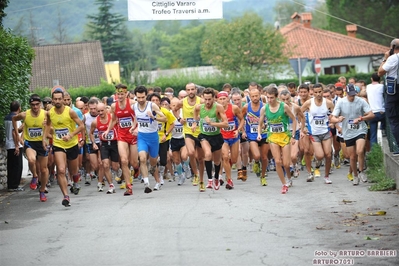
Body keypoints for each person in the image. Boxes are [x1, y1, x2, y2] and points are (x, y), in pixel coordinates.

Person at [43, 88, 85, 207]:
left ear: (63, 100)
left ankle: (75, 182)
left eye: (59, 99)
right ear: (52, 100)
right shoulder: (50, 113)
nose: (57, 101)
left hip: (71, 144)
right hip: (58, 144)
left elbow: (81, 126)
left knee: (73, 171)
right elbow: (48, 125)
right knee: (61, 170)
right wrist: (44, 139)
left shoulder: (70, 112)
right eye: (55, 99)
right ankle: (66, 196)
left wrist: (71, 134)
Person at [331, 84, 375, 185]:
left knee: (360, 151)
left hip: (360, 129)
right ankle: (355, 175)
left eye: (354, 95)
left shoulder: (361, 101)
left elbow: (371, 114)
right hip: (348, 131)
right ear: (346, 93)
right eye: (350, 95)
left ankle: (361, 171)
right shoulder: (341, 102)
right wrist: (338, 119)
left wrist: (361, 119)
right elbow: (332, 118)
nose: (352, 97)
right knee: (352, 156)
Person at [258, 86, 298, 193]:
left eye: (271, 98)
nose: (269, 100)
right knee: (277, 161)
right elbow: (260, 123)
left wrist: (293, 134)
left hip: (284, 136)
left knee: (286, 163)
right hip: (273, 137)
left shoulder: (284, 107)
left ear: (276, 97)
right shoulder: (264, 108)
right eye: (268, 98)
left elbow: (294, 120)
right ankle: (284, 184)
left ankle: (289, 178)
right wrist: (259, 133)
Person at [104, 84, 139, 196]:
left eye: (122, 94)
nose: (119, 96)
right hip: (122, 136)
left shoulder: (133, 104)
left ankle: (136, 168)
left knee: (133, 162)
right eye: (118, 94)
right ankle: (129, 187)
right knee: (123, 160)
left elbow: (139, 116)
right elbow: (114, 120)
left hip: (133, 135)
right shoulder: (114, 106)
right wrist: (107, 130)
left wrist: (136, 127)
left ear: (126, 94)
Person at [12, 95, 49, 201]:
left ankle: (42, 190)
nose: (35, 107)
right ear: (30, 105)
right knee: (32, 160)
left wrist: (45, 136)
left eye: (37, 104)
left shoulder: (46, 114)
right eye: (33, 105)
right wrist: (18, 134)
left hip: (42, 143)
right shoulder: (25, 114)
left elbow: (51, 124)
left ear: (40, 105)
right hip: (30, 143)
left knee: (44, 169)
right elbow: (14, 119)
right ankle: (35, 176)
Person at [193, 88, 228, 191]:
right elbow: (195, 114)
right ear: (203, 98)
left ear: (214, 98)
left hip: (216, 136)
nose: (207, 102)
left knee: (217, 161)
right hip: (204, 136)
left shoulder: (218, 108)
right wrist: (195, 123)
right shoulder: (199, 107)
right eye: (205, 99)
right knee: (207, 154)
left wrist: (212, 123)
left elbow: (225, 124)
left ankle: (216, 177)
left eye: (209, 99)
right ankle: (209, 180)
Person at [132, 86, 167, 192]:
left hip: (153, 137)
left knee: (153, 163)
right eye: (139, 97)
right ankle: (147, 183)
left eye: (143, 97)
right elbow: (136, 117)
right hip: (142, 136)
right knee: (142, 158)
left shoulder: (152, 106)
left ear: (146, 96)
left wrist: (154, 117)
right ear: (136, 97)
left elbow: (165, 118)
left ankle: (157, 181)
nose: (141, 99)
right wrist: (134, 126)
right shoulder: (134, 106)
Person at [300, 84, 335, 184]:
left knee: (328, 154)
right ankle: (316, 163)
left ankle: (327, 176)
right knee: (320, 156)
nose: (318, 94)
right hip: (314, 133)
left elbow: (334, 114)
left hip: (326, 132)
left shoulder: (328, 103)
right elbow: (300, 113)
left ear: (322, 91)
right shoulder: (309, 103)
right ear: (313, 92)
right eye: (315, 92)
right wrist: (304, 127)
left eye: (320, 92)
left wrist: (334, 122)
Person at [174, 83, 205, 187]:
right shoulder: (182, 102)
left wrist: (198, 121)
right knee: (191, 153)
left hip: (200, 132)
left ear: (196, 90)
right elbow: (174, 110)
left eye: (192, 89)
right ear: (186, 91)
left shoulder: (201, 101)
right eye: (188, 90)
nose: (191, 92)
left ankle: (200, 178)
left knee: (200, 158)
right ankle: (195, 174)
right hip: (188, 131)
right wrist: (179, 119)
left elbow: (206, 112)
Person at [242, 88, 270, 186]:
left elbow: (271, 120)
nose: (255, 98)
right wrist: (243, 131)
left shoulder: (265, 106)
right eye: (252, 96)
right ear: (249, 97)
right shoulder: (246, 107)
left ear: (260, 95)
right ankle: (256, 162)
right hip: (251, 134)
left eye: (256, 96)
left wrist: (265, 125)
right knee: (257, 156)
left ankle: (263, 176)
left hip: (264, 134)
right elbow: (241, 119)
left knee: (264, 157)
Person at [217, 91, 244, 190]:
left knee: (233, 159)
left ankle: (227, 170)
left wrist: (238, 130)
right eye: (220, 99)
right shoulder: (216, 110)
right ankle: (229, 180)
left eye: (224, 99)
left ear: (228, 99)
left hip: (234, 136)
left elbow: (242, 120)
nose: (223, 101)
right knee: (225, 157)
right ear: (217, 100)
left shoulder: (234, 108)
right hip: (223, 137)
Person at [90, 102, 118, 194]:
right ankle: (111, 185)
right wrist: (94, 143)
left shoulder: (112, 118)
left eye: (102, 110)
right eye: (98, 111)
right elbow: (91, 133)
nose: (100, 113)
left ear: (106, 110)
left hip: (115, 143)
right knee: (105, 165)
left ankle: (119, 173)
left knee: (115, 166)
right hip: (104, 144)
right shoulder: (95, 122)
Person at [378, 38, 399, 151]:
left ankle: (397, 146)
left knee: (393, 118)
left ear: (392, 48)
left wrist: (385, 59)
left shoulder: (392, 58)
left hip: (394, 91)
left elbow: (380, 72)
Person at [149, 94, 175, 185]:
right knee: (154, 159)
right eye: (153, 100)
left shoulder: (165, 112)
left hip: (163, 138)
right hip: (152, 138)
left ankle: (161, 171)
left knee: (164, 160)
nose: (155, 102)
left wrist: (166, 134)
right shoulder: (147, 112)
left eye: (157, 100)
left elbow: (172, 124)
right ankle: (158, 177)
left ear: (160, 102)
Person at [5, 101, 24, 192]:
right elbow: (14, 132)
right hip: (14, 145)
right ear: (18, 108)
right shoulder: (15, 118)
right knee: (17, 166)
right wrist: (17, 145)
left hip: (9, 145)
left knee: (11, 166)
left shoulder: (7, 118)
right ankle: (14, 185)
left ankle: (11, 185)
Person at [366, 72, 385, 147]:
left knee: (373, 135)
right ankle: (383, 128)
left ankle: (374, 152)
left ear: (371, 79)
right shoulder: (382, 86)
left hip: (372, 113)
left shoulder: (368, 87)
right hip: (381, 112)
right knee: (387, 122)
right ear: (379, 79)